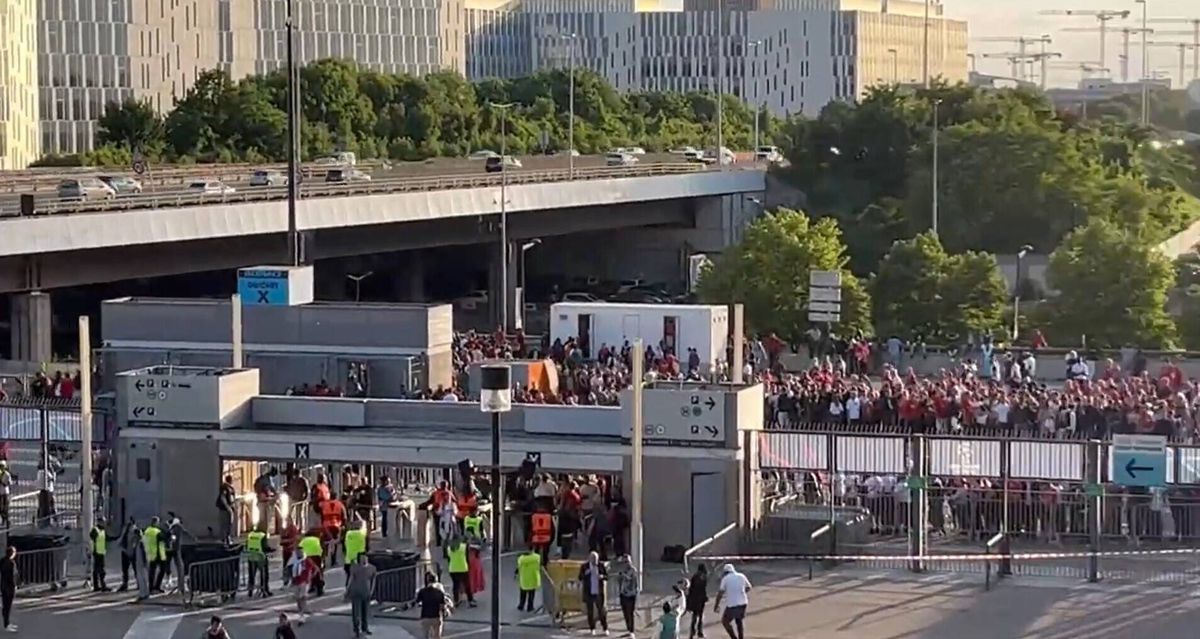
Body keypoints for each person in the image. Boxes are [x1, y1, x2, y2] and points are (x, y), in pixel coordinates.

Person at [713, 564, 751, 639]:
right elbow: (749, 587)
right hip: (743, 602)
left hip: (732, 604)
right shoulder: (741, 576)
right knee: (739, 621)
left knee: (725, 621)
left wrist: (716, 605)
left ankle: (733, 637)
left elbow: (720, 593)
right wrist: (741, 592)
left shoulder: (725, 579)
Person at [413, 572, 453, 639]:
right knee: (437, 636)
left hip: (425, 616)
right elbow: (442, 605)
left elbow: (417, 602)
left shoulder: (422, 591)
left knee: (425, 636)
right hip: (436, 616)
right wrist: (444, 614)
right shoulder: (439, 592)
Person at [577, 551, 609, 636]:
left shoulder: (601, 566)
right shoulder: (584, 566)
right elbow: (580, 577)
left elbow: (607, 576)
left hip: (598, 592)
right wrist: (586, 573)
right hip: (589, 592)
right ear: (590, 559)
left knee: (601, 611)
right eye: (593, 559)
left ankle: (605, 628)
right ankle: (592, 628)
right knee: (590, 612)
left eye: (596, 559)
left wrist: (602, 577)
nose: (595, 561)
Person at [346, 553, 377, 637]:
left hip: (366, 592)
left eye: (365, 558)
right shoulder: (354, 567)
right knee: (356, 612)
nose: (364, 560)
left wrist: (372, 591)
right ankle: (356, 628)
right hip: (356, 592)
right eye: (362, 559)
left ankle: (365, 628)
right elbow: (351, 579)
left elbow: (373, 580)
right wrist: (347, 590)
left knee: (365, 611)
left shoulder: (372, 568)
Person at [611, 554, 639, 637]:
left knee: (630, 612)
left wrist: (624, 576)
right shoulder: (622, 571)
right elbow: (619, 581)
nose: (626, 564)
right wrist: (619, 578)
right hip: (623, 594)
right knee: (625, 612)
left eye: (627, 562)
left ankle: (631, 630)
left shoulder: (633, 570)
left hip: (631, 594)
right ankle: (628, 627)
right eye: (624, 562)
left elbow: (632, 581)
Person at [289, 548, 318, 624]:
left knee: (302, 598)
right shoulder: (293, 560)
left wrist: (310, 577)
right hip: (296, 582)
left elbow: (316, 569)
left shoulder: (307, 560)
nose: (299, 554)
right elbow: (289, 570)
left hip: (304, 582)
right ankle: (302, 611)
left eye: (301, 552)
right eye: (298, 552)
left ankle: (301, 615)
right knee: (298, 599)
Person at [245, 525, 274, 597]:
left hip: (251, 557)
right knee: (264, 575)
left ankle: (250, 591)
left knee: (251, 575)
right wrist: (271, 550)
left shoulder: (250, 535)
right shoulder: (262, 536)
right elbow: (265, 547)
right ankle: (264, 590)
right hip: (261, 558)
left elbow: (246, 545)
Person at [446, 535, 473, 606]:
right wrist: (469, 566)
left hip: (453, 568)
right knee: (467, 585)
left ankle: (456, 600)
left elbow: (449, 559)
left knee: (455, 585)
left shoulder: (449, 548)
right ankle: (470, 600)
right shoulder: (464, 547)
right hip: (463, 568)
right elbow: (467, 557)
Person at [685, 564, 709, 639]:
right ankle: (699, 631)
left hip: (694, 598)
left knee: (695, 616)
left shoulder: (695, 576)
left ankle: (692, 632)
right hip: (701, 599)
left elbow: (691, 588)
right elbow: (703, 588)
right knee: (700, 616)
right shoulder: (704, 577)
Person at [515, 546, 541, 613]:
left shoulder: (521, 559)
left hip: (524, 579)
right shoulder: (537, 558)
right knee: (531, 594)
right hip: (533, 578)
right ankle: (530, 606)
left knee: (523, 594)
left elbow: (518, 567)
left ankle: (521, 605)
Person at [118, 517, 141, 592]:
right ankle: (125, 584)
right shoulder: (126, 529)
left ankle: (139, 583)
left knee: (135, 569)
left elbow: (138, 540)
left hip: (132, 552)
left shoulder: (135, 530)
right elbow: (122, 539)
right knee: (125, 570)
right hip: (125, 551)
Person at [89, 517, 111, 591]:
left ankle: (102, 584)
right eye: (103, 522)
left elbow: (107, 538)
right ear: (99, 522)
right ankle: (97, 585)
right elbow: (92, 537)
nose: (104, 523)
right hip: (97, 552)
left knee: (101, 569)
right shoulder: (95, 530)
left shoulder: (103, 530)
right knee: (97, 569)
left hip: (102, 552)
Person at [143, 516, 164, 593]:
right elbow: (163, 540)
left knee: (152, 571)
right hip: (158, 553)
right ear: (155, 522)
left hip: (150, 553)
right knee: (162, 570)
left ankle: (151, 588)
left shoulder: (147, 531)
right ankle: (157, 586)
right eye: (158, 522)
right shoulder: (157, 531)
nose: (158, 524)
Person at [216, 475, 236, 544]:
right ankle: (224, 539)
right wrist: (227, 507)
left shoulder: (230, 487)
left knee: (229, 524)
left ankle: (227, 538)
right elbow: (223, 498)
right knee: (225, 524)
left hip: (229, 508)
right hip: (225, 509)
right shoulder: (225, 487)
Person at [0, 547, 16, 632]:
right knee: (8, 606)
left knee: (5, 606)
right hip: (9, 587)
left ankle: (7, 623)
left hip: (3, 586)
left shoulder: (2, 561)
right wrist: (15, 586)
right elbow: (12, 577)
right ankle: (7, 624)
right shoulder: (11, 563)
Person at [0, 461, 12, 528]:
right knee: (1, 508)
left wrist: (2, 480)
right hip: (0, 493)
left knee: (5, 507)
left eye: (2, 466)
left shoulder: (7, 474)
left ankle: (7, 520)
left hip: (5, 493)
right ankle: (2, 519)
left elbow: (7, 483)